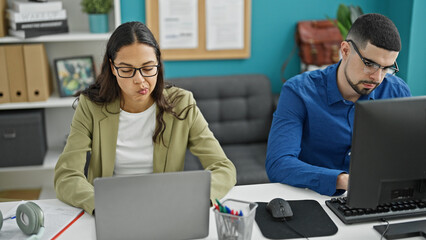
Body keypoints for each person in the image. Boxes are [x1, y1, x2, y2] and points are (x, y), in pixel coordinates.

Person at [54, 21, 237, 214]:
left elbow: (224, 168)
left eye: (148, 68)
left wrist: (196, 200)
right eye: (126, 70)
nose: (139, 80)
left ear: (158, 62)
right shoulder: (91, 106)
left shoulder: (182, 103)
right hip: (111, 209)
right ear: (113, 67)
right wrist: (99, 204)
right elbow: (66, 176)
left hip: (164, 209)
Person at [266, 13, 411, 196]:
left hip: (376, 198)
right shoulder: (298, 92)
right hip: (314, 199)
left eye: (386, 67)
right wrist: (343, 180)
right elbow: (278, 163)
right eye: (369, 64)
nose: (377, 77)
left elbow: (406, 155)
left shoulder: (397, 92)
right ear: (345, 50)